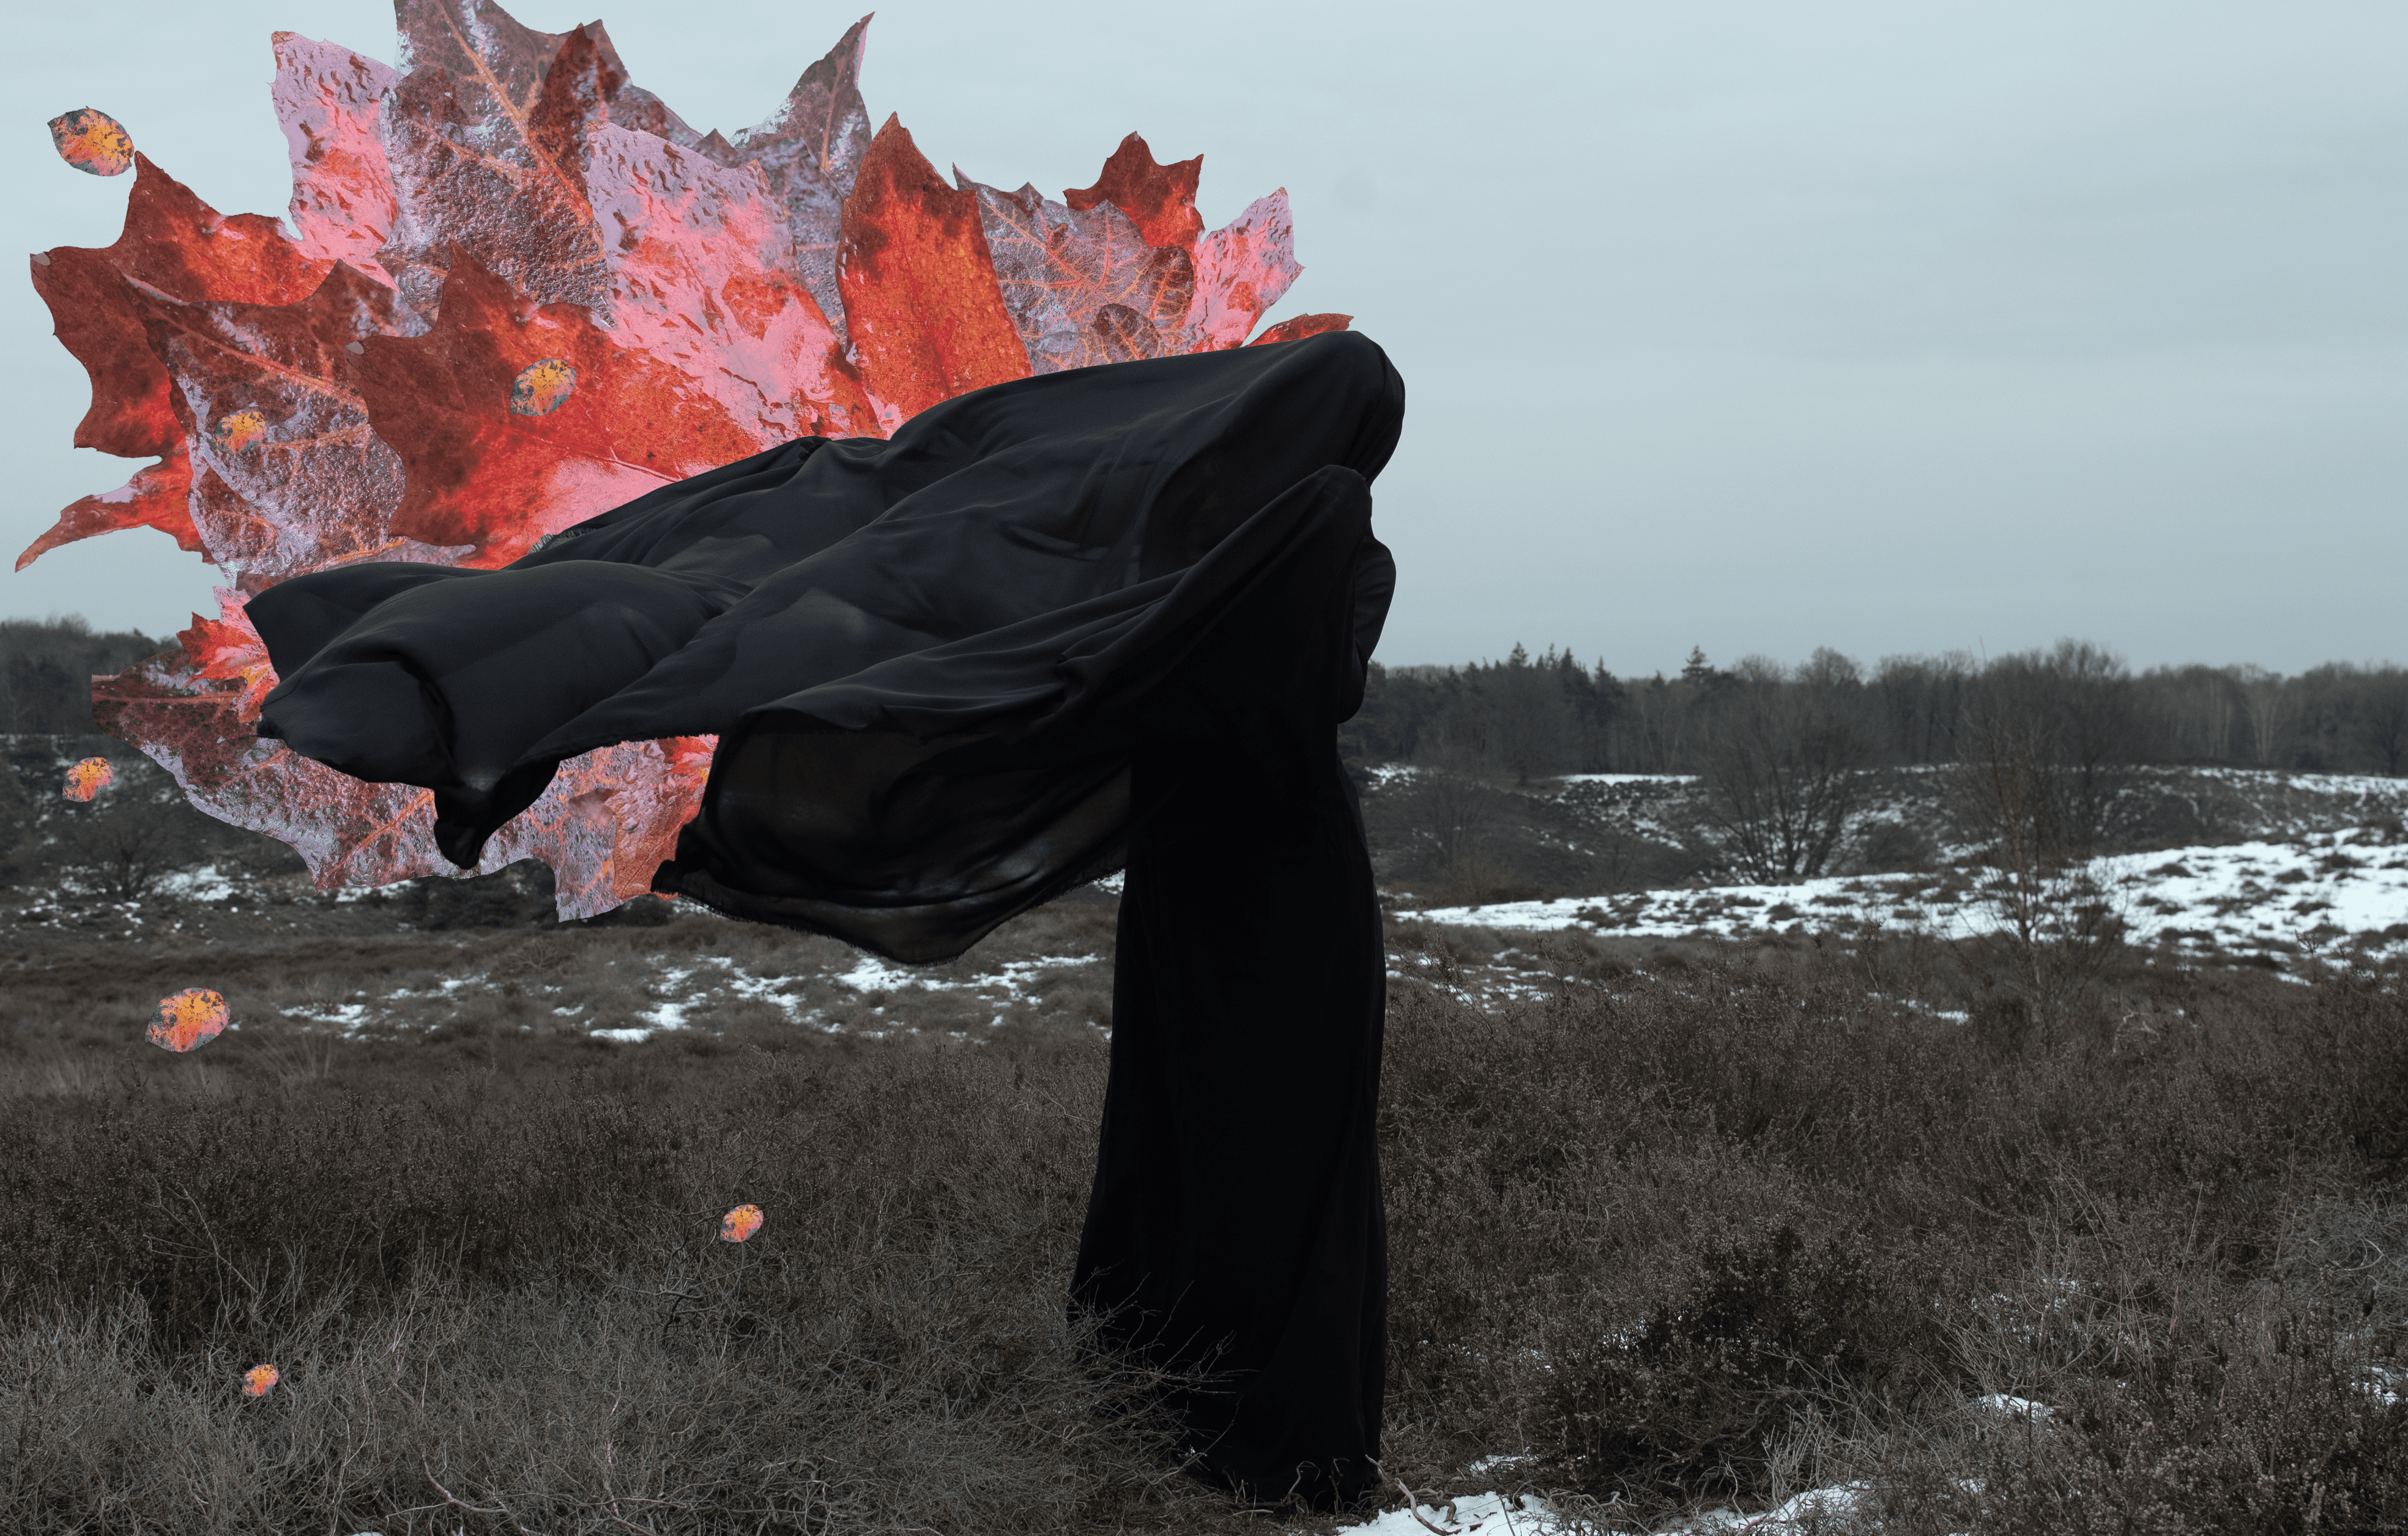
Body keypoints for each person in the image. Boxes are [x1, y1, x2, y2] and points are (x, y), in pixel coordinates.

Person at [249, 328, 1407, 1506]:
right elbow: (1272, 687)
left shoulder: (1180, 549)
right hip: (1282, 881)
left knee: (1203, 1120)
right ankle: (1273, 1445)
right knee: (1272, 1135)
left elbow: (1091, 664)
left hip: (1206, 876)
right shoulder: (1293, 538)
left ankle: (1186, 1397)